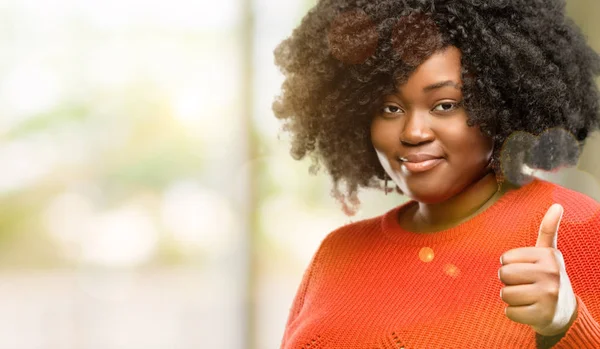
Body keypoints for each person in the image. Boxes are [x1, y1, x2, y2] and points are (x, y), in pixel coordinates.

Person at [272, 0, 600, 348]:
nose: (414, 132)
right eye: (390, 108)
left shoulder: (578, 231)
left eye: (445, 105)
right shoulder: (337, 252)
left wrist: (566, 324)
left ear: (501, 102)